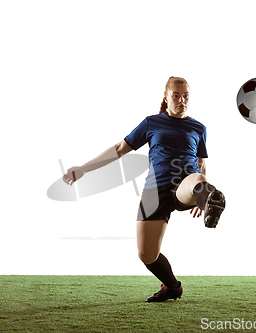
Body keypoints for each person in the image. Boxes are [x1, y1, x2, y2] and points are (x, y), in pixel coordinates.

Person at [63, 76, 226, 302]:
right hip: (155, 189)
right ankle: (172, 287)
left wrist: (203, 197)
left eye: (186, 95)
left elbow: (201, 164)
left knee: (196, 177)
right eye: (176, 95)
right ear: (166, 97)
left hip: (185, 182)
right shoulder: (151, 123)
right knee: (147, 254)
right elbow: (120, 148)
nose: (182, 100)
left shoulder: (198, 127)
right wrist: (83, 169)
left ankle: (208, 196)